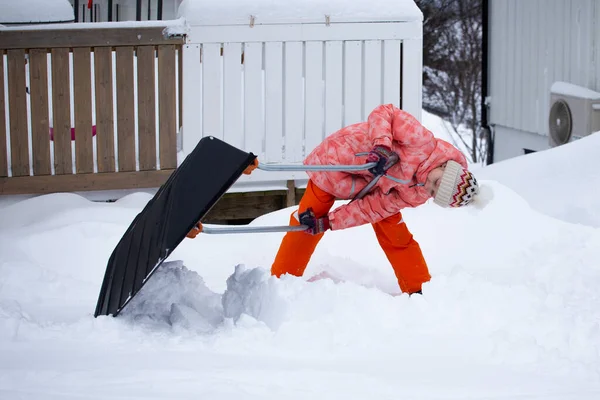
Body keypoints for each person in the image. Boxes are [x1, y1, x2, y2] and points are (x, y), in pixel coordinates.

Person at [269, 103, 480, 295]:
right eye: (436, 182)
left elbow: (375, 208)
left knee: (395, 232)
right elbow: (384, 112)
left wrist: (330, 222)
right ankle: (281, 280)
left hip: (370, 184)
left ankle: (418, 290)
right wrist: (382, 146)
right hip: (337, 160)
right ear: (445, 166)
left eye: (434, 193)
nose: (429, 187)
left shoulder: (417, 193)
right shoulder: (420, 141)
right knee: (308, 221)